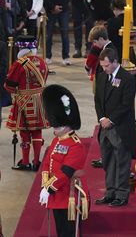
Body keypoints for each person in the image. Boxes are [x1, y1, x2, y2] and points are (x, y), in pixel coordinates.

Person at [39, 84, 90, 236]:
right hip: (57, 194)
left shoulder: (76, 145)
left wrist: (48, 188)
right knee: (60, 231)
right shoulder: (57, 140)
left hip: (70, 196)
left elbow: (66, 172)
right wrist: (45, 184)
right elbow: (47, 164)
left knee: (69, 233)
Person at [94, 47, 136, 206]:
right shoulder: (101, 77)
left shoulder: (127, 79)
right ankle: (110, 192)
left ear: (115, 62)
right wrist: (102, 118)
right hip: (105, 128)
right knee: (108, 161)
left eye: (106, 66)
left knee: (121, 162)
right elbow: (97, 100)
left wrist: (111, 119)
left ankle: (121, 195)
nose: (104, 69)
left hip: (120, 128)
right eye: (102, 66)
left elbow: (126, 105)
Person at [5, 35, 49, 171]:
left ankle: (25, 162)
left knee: (24, 132)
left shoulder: (19, 64)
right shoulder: (42, 62)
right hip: (40, 100)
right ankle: (36, 162)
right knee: (37, 131)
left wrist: (16, 91)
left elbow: (9, 85)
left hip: (24, 101)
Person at [42, 0, 73, 66]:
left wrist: (61, 7)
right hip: (51, 11)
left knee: (64, 34)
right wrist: (52, 7)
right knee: (48, 34)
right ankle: (48, 56)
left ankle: (66, 57)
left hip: (63, 11)